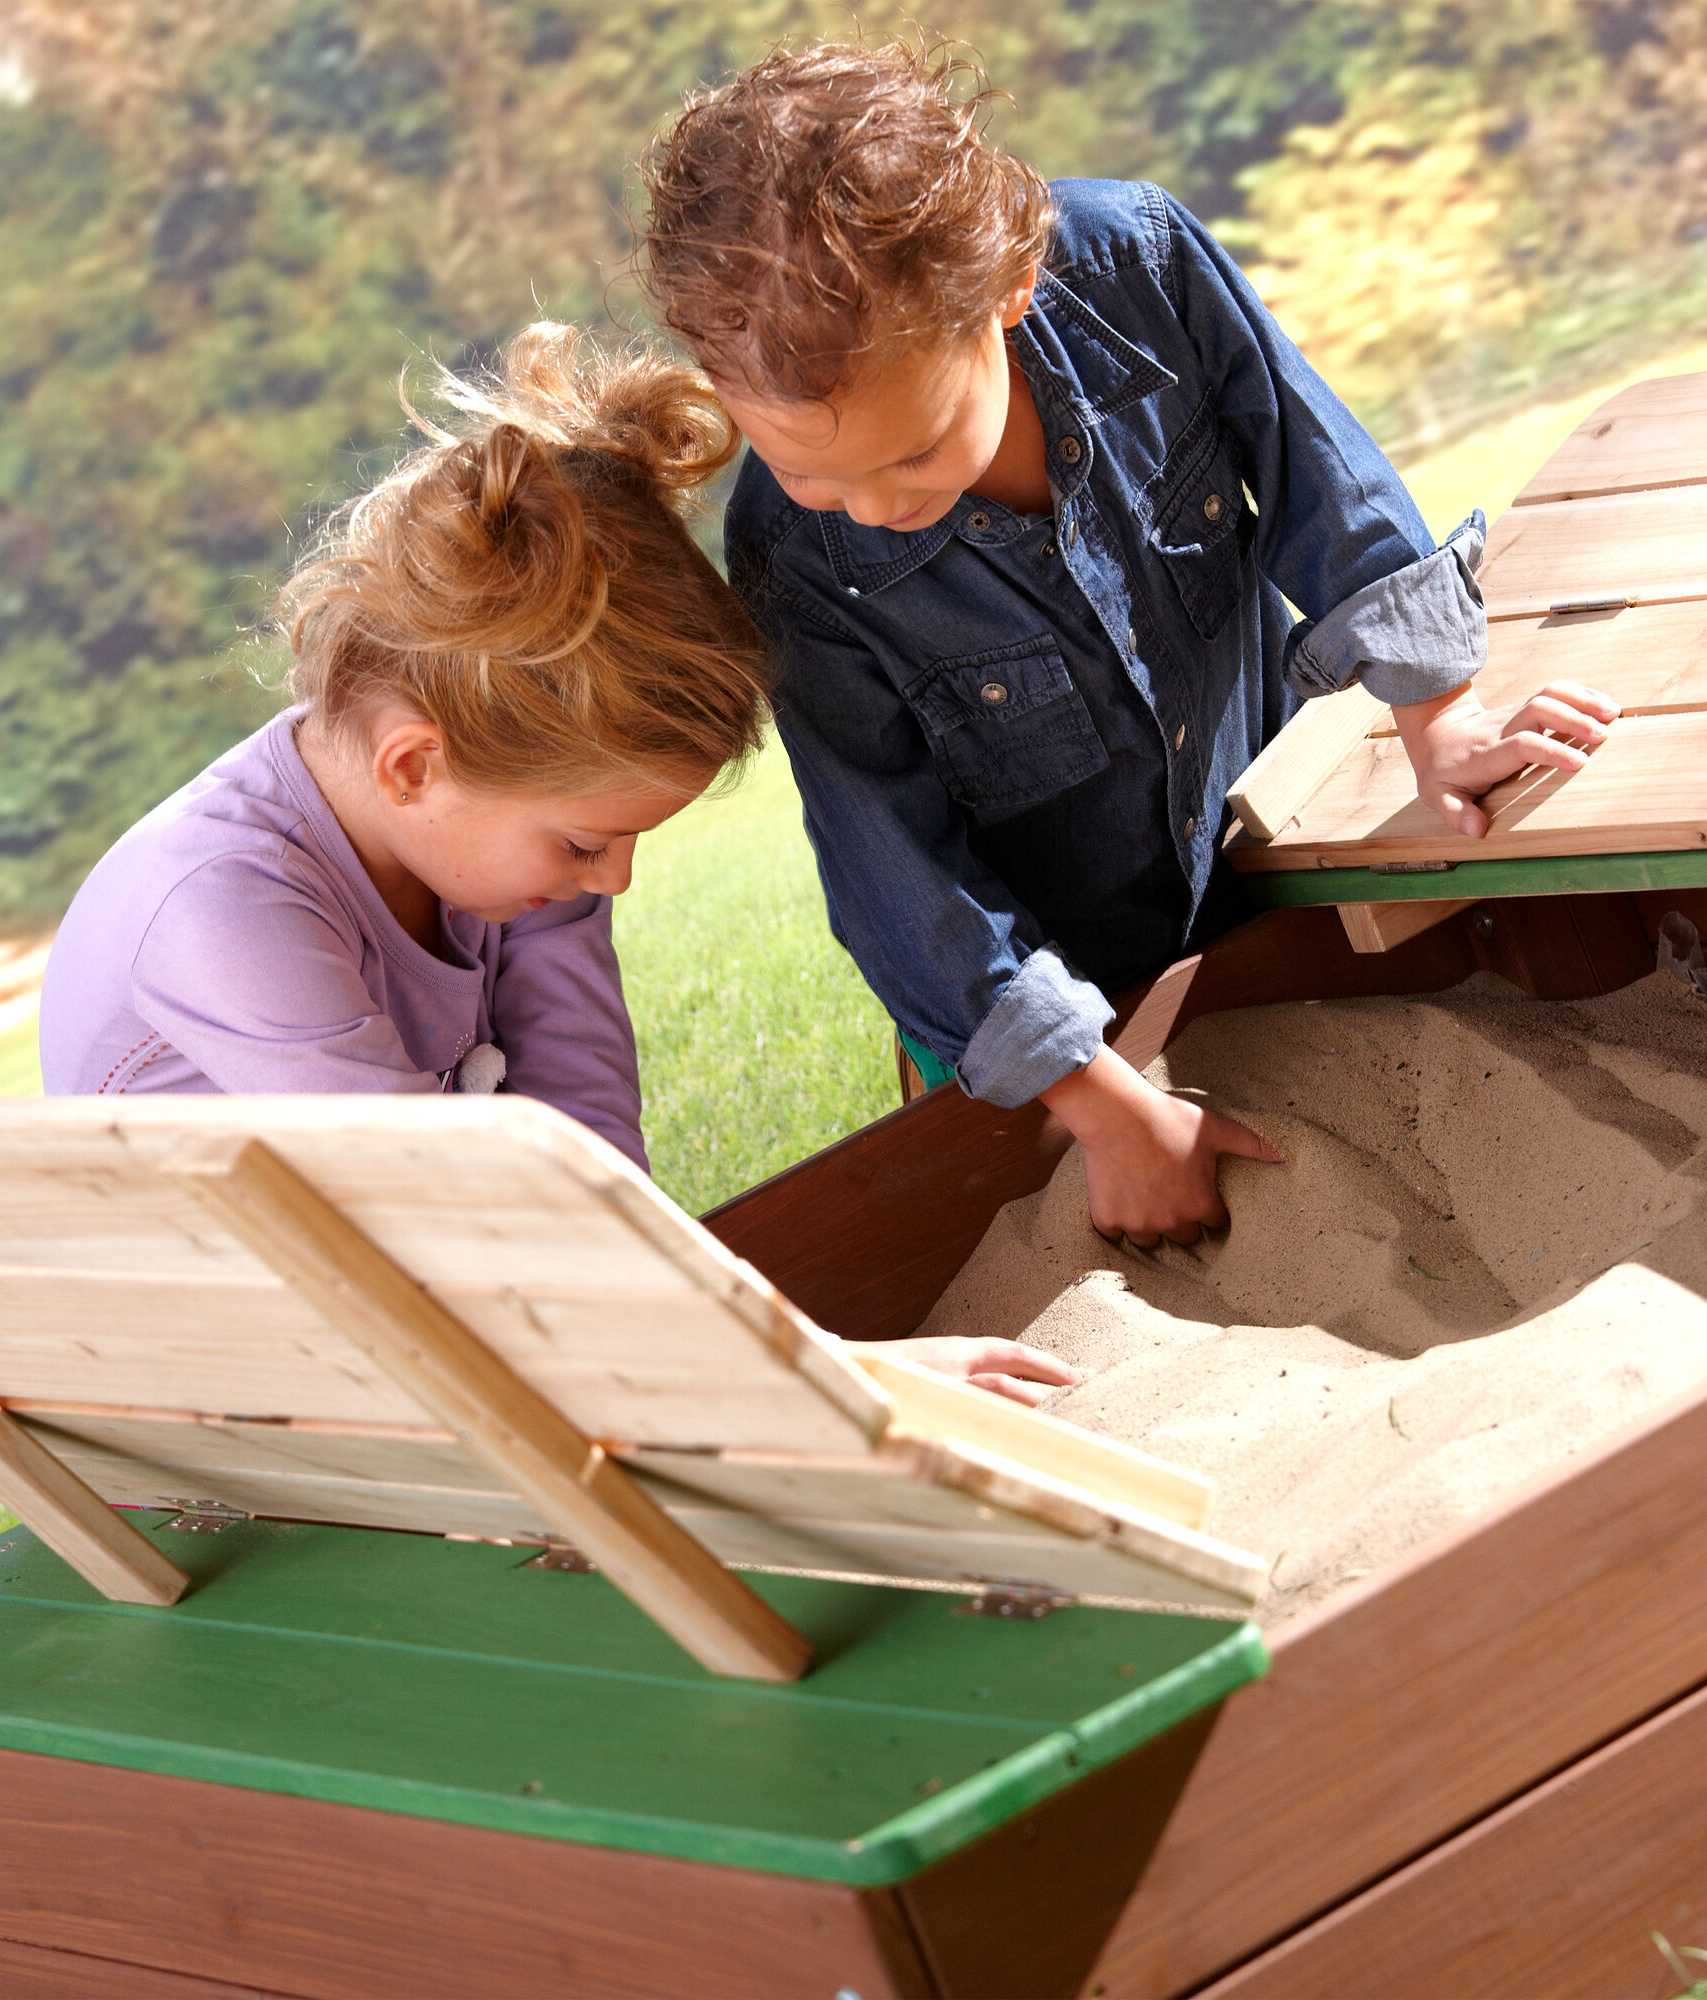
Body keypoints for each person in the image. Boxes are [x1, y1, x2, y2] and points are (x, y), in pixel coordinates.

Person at [636, 37, 1620, 1250]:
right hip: (1060, 1011)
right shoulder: (794, 555)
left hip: (1260, 861)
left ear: (1008, 285)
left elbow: (1318, 476)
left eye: (911, 451)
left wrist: (1440, 719)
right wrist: (1104, 1113)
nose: (873, 503)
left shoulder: (1138, 265)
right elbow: (895, 869)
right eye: (803, 468)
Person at [39, 324, 768, 1173]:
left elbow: (586, 1124)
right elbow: (432, 1195)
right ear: (413, 767)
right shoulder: (222, 907)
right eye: (585, 844)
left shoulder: (483, 833)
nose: (613, 879)